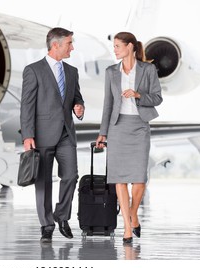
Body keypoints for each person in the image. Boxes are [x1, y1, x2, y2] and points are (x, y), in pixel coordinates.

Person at [95, 32, 163, 244]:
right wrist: (102, 132)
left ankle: (133, 214)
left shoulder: (148, 69)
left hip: (139, 126)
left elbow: (158, 98)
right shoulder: (111, 72)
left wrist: (138, 95)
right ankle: (126, 226)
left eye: (117, 46)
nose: (114, 50)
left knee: (139, 179)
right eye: (114, 46)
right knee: (120, 179)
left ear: (130, 46)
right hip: (117, 128)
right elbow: (108, 105)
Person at [20, 27, 85, 243]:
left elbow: (77, 97)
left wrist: (79, 106)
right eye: (69, 43)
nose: (72, 47)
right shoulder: (33, 70)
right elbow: (27, 106)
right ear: (55, 45)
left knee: (71, 176)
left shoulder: (72, 72)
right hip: (42, 134)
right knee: (44, 182)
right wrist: (28, 135)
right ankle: (46, 225)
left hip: (66, 133)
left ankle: (61, 216)